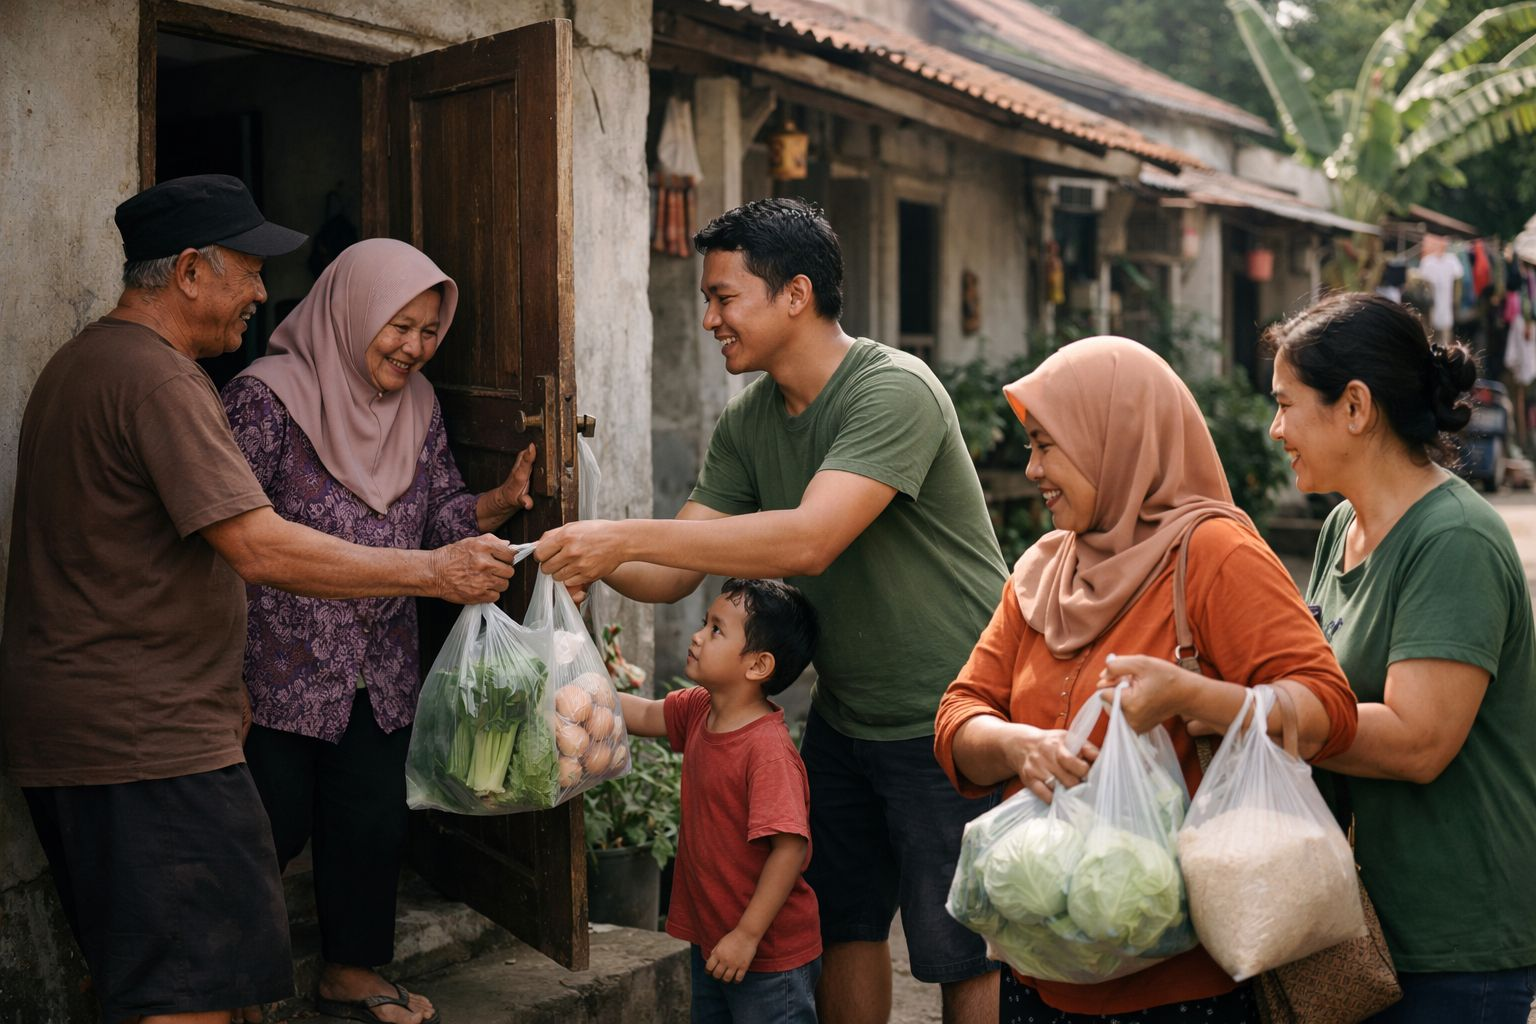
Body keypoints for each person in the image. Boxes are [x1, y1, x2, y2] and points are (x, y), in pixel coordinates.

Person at [0, 175, 517, 1024]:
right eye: (247, 270)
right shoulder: (166, 384)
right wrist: (431, 572)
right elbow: (255, 543)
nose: (263, 293)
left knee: (156, 968)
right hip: (142, 732)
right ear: (192, 271)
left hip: (104, 718)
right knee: (188, 987)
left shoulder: (85, 362)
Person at [535, 198, 1007, 1023]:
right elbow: (677, 564)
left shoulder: (891, 390)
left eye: (724, 297)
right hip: (848, 716)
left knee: (960, 948)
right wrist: (586, 558)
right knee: (846, 926)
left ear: (795, 293)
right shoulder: (751, 420)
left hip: (953, 712)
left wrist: (618, 537)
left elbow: (809, 542)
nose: (710, 319)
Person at [932, 337, 1359, 1023]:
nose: (1032, 467)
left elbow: (1331, 708)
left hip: (1181, 989)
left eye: (1047, 445)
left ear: (1116, 437)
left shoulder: (1214, 554)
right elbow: (959, 714)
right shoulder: (1042, 571)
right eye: (1031, 447)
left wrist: (1197, 698)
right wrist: (1017, 747)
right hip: (1039, 975)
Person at [220, 237, 538, 1024]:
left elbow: (437, 518)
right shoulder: (262, 400)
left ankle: (350, 971)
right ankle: (235, 984)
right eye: (399, 326)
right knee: (266, 823)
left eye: (429, 331)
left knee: (370, 818)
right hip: (278, 663)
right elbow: (222, 531)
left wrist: (497, 501)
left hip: (380, 662)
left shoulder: (421, 407)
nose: (414, 347)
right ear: (351, 309)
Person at [1264, 293, 1536, 1022]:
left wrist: (1242, 711)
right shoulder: (1342, 527)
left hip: (1454, 947)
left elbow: (1419, 741)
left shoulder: (1454, 540)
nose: (1275, 429)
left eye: (1288, 406)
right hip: (1364, 931)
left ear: (1355, 407)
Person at [619, 578, 823, 1023]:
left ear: (757, 665)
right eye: (704, 623)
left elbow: (790, 850)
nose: (697, 635)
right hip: (714, 937)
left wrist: (747, 936)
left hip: (768, 953)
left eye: (716, 630)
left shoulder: (767, 752)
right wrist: (575, 690)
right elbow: (644, 713)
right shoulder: (698, 710)